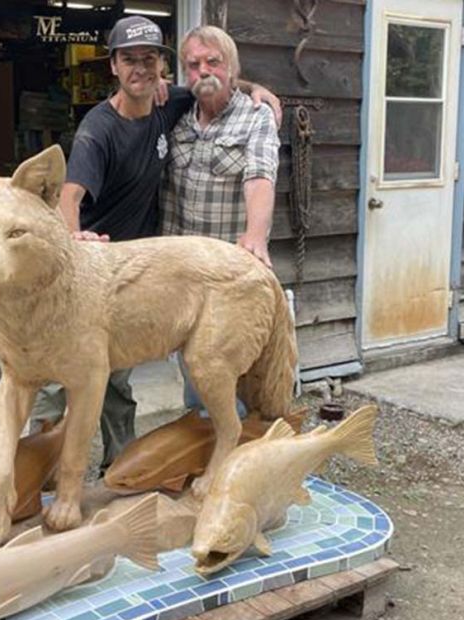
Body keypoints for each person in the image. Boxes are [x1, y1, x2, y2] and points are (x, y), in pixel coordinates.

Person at [31, 16, 280, 468]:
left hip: (151, 273)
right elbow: (69, 195)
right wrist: (73, 236)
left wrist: (259, 89)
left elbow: (254, 161)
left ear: (163, 70)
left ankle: (120, 470)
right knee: (56, 374)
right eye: (130, 60)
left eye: (150, 60)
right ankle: (38, 469)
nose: (140, 70)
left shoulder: (174, 105)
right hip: (92, 266)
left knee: (117, 376)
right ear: (113, 66)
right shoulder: (98, 128)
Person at [161, 25, 283, 415]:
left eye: (213, 62)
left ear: (231, 67)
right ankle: (203, 449)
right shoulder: (176, 114)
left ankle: (235, 457)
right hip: (180, 272)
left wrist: (255, 237)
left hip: (227, 274)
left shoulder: (255, 117)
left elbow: (260, 175)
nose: (203, 71)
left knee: (224, 374)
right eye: (193, 65)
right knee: (193, 372)